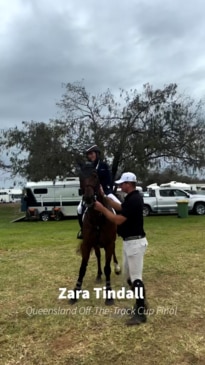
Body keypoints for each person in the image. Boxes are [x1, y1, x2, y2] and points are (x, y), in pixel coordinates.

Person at [94, 172, 148, 326]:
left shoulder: (134, 200)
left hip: (135, 244)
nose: (119, 186)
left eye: (122, 183)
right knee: (131, 278)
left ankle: (141, 313)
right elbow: (119, 207)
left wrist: (102, 210)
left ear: (129, 184)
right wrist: (105, 198)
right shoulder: (131, 198)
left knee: (136, 279)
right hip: (129, 243)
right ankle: (140, 305)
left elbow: (118, 219)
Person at [77, 144, 121, 239]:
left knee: (119, 204)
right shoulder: (87, 167)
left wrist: (105, 190)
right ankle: (83, 231)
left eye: (92, 153)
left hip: (105, 190)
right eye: (89, 154)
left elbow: (109, 180)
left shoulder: (103, 165)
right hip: (91, 193)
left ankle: (120, 228)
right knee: (79, 209)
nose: (90, 156)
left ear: (97, 154)